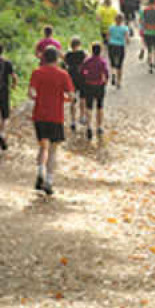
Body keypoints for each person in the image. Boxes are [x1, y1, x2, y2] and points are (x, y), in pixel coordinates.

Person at [28, 47, 75, 196]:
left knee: (43, 147)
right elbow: (72, 96)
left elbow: (30, 93)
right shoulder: (63, 75)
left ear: (44, 58)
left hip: (40, 115)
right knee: (53, 150)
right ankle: (49, 181)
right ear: (57, 59)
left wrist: (39, 98)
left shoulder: (37, 72)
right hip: (56, 116)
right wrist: (64, 99)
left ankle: (40, 171)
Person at [80, 42, 110, 140]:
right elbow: (106, 73)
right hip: (99, 85)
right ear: (100, 51)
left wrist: (86, 77)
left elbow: (82, 71)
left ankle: (89, 126)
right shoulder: (102, 61)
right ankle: (99, 127)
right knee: (100, 106)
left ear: (92, 50)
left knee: (89, 107)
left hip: (89, 85)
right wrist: (105, 82)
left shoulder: (87, 61)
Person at [63, 37, 88, 134]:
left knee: (72, 100)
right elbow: (87, 61)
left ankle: (73, 120)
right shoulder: (83, 53)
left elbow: (65, 63)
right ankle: (82, 117)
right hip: (82, 77)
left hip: (71, 78)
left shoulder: (68, 54)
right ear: (79, 44)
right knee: (82, 98)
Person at [107, 13, 133, 88]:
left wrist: (110, 43)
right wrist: (127, 42)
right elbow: (127, 39)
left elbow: (108, 37)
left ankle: (113, 74)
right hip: (120, 46)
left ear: (115, 20)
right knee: (120, 65)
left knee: (112, 63)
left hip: (112, 45)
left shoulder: (111, 27)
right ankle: (119, 82)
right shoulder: (125, 28)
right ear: (122, 20)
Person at [140, 0, 155, 73]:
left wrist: (144, 27)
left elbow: (141, 20)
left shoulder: (144, 11)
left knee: (149, 49)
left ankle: (150, 66)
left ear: (148, 3)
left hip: (147, 32)